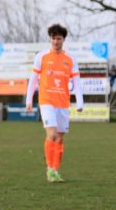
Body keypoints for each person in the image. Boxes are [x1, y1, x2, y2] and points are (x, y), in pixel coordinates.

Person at [25, 23, 84, 183]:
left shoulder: (70, 59)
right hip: (46, 101)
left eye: (58, 38)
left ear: (63, 39)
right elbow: (33, 80)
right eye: (53, 38)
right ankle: (49, 169)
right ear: (50, 38)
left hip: (63, 103)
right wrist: (29, 100)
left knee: (59, 138)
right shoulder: (41, 57)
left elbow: (77, 81)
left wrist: (80, 102)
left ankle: (56, 170)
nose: (55, 41)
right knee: (51, 134)